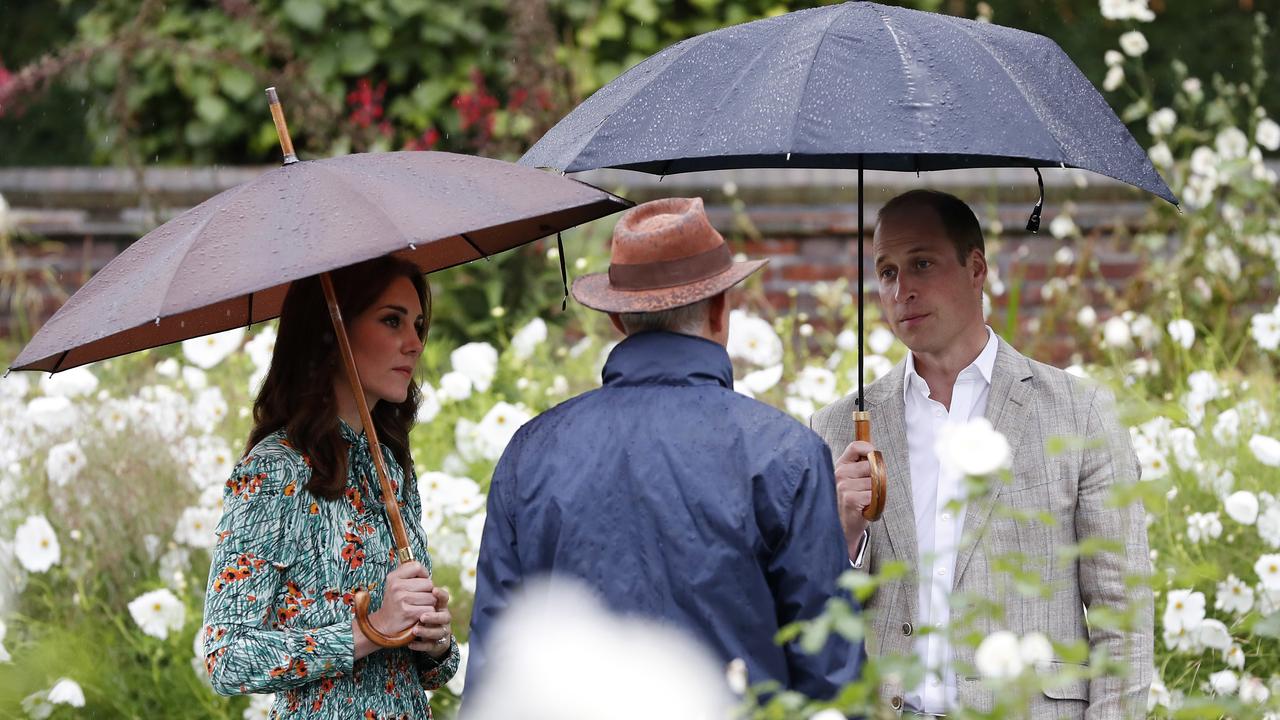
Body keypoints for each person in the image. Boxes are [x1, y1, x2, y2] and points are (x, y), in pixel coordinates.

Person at [467, 197, 865, 701]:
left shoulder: (532, 451)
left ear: (618, 319)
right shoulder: (784, 453)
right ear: (722, 311)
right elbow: (830, 676)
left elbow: (494, 667)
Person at [810, 189, 1153, 719]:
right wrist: (844, 534)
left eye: (921, 263)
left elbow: (1122, 615)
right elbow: (815, 620)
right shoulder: (842, 427)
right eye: (887, 271)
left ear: (976, 269)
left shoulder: (1079, 412)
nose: (902, 290)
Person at [201, 256, 459, 717]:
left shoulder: (393, 466)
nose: (415, 343)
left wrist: (434, 640)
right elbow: (227, 657)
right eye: (391, 321)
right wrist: (372, 628)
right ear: (334, 331)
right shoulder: (275, 472)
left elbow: (429, 672)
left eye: (418, 325)